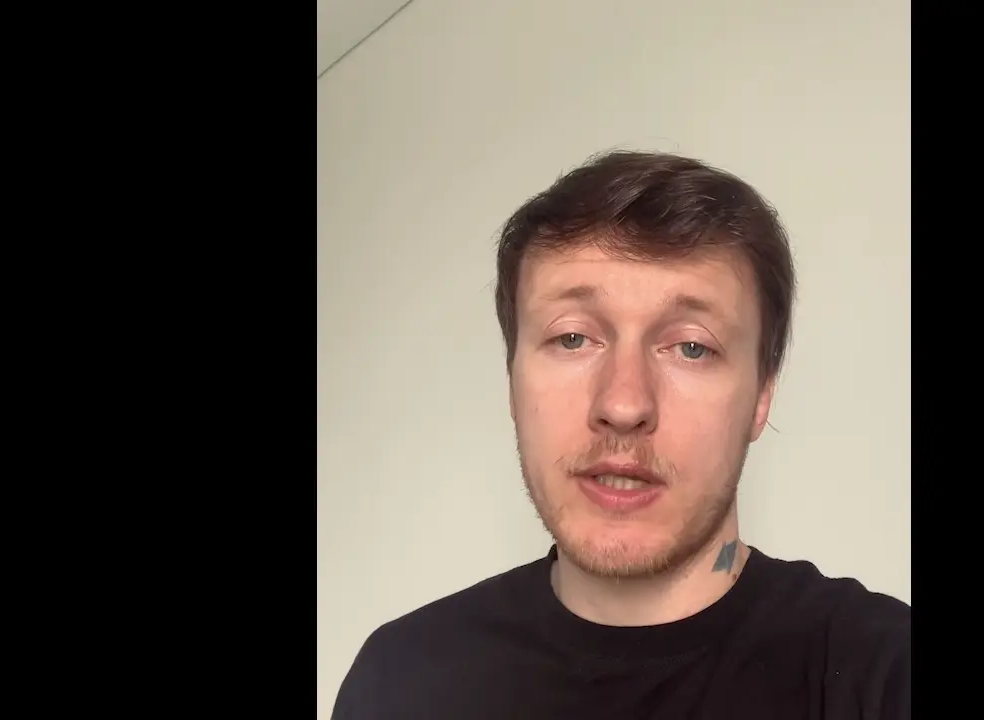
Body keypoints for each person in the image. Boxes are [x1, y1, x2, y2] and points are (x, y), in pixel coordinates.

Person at [329, 151, 910, 720]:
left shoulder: (884, 672)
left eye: (692, 347)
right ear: (512, 380)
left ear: (761, 396)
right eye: (573, 338)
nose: (624, 404)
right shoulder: (401, 681)